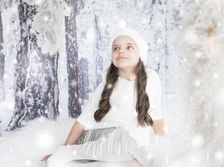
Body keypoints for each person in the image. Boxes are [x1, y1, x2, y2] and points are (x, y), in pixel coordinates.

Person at [41, 28, 165, 167]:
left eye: (129, 47)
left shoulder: (151, 78)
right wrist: (66, 146)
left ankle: (77, 154)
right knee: (122, 136)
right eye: (116, 48)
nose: (121, 51)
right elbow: (83, 119)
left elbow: (157, 116)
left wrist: (163, 149)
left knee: (136, 149)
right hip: (104, 139)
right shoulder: (108, 83)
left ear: (140, 53)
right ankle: (68, 153)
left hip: (130, 148)